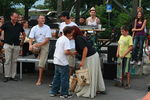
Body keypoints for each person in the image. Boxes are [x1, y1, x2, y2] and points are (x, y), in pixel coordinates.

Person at [71, 26, 105, 98]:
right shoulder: (80, 37)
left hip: (90, 57)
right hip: (93, 55)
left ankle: (90, 90)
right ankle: (98, 88)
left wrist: (82, 61)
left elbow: (85, 49)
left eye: (72, 31)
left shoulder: (78, 38)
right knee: (93, 73)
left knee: (88, 74)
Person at [49, 26, 76, 98]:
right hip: (63, 61)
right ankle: (64, 93)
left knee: (56, 77)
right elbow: (66, 52)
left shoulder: (60, 38)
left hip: (56, 59)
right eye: (71, 33)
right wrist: (72, 53)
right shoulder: (66, 40)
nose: (72, 34)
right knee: (65, 78)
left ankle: (53, 91)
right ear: (68, 33)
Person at [0, 12, 25, 82]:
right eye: (15, 17)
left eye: (17, 17)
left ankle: (13, 76)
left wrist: (22, 41)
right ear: (11, 17)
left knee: (14, 61)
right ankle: (7, 76)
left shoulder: (19, 25)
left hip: (16, 45)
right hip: (7, 44)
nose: (16, 18)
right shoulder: (6, 24)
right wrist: (0, 40)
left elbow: (23, 34)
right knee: (7, 60)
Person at [29, 15, 52, 86]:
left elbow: (47, 39)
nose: (43, 19)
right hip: (37, 43)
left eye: (44, 18)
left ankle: (39, 79)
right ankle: (38, 54)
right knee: (33, 48)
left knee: (41, 62)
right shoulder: (34, 28)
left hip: (45, 44)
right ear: (38, 20)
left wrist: (38, 45)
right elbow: (30, 38)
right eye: (41, 18)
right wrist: (30, 45)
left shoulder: (47, 27)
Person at [59, 11, 78, 76]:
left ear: (65, 17)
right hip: (63, 46)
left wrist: (69, 37)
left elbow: (77, 36)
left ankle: (68, 78)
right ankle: (64, 78)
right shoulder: (61, 24)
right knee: (62, 62)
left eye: (62, 17)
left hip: (71, 46)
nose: (61, 18)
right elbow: (60, 34)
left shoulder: (74, 25)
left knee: (71, 64)